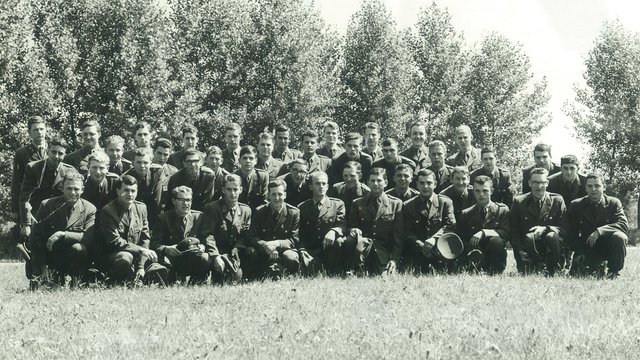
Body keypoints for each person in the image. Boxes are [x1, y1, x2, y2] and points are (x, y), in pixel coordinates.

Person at [29, 172, 96, 286]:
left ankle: (76, 281)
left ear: (82, 189)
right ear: (62, 188)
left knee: (79, 248)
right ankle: (51, 275)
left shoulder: (89, 208)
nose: (72, 193)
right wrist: (42, 265)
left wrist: (62, 234)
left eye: (76, 189)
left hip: (74, 258)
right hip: (51, 256)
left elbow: (88, 237)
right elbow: (36, 238)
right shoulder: (47, 205)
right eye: (69, 188)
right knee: (42, 287)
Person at [99, 175, 165, 284]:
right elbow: (114, 241)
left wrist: (141, 266)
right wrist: (141, 250)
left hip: (136, 256)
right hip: (111, 256)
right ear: (118, 191)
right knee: (126, 257)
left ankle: (138, 276)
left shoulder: (141, 208)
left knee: (158, 262)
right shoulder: (108, 211)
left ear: (137, 192)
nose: (130, 194)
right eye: (126, 190)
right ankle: (112, 281)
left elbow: (145, 238)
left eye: (133, 191)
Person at [564, 174, 628, 278]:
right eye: (590, 186)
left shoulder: (613, 203)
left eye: (597, 186)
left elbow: (623, 224)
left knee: (620, 237)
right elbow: (571, 233)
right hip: (586, 246)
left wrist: (599, 231)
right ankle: (594, 264)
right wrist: (577, 254)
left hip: (607, 247)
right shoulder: (576, 205)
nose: (593, 189)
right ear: (585, 188)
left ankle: (614, 272)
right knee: (581, 274)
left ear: (604, 187)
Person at [510, 168, 566, 275]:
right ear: (529, 183)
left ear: (547, 183)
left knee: (551, 236)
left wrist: (546, 229)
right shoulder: (519, 202)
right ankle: (533, 266)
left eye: (542, 182)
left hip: (552, 251)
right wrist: (519, 250)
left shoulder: (557, 200)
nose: (539, 186)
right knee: (529, 237)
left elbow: (565, 228)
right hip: (528, 250)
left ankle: (553, 270)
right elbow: (514, 231)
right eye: (535, 182)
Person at [151, 186, 213, 284]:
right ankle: (172, 280)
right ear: (173, 201)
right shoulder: (163, 219)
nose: (186, 203)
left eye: (188, 200)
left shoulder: (199, 217)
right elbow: (154, 244)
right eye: (181, 200)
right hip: (173, 259)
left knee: (206, 258)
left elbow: (207, 238)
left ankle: (196, 282)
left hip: (193, 258)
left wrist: (202, 247)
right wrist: (166, 248)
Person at [348, 168, 404, 275]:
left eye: (379, 180)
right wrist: (353, 230)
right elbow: (351, 226)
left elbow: (398, 236)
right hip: (363, 250)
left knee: (386, 276)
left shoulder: (395, 204)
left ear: (386, 183)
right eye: (372, 181)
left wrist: (394, 259)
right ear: (367, 183)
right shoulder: (357, 203)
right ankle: (353, 266)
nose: (375, 184)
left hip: (384, 252)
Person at [19, 137, 77, 240]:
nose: (56, 156)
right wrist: (26, 224)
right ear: (47, 151)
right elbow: (25, 197)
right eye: (53, 152)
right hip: (36, 215)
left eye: (60, 153)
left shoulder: (69, 170)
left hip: (60, 217)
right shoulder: (33, 168)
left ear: (65, 155)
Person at [403, 169, 456, 273]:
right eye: (422, 183)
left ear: (435, 184)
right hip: (417, 251)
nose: (425, 186)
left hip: (440, 248)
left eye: (429, 183)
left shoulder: (445, 202)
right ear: (417, 185)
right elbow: (407, 231)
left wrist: (434, 239)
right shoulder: (408, 205)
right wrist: (421, 246)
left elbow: (450, 226)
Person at [245, 179, 301, 278]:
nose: (277, 198)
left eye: (280, 194)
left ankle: (289, 276)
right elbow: (251, 237)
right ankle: (255, 276)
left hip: (284, 250)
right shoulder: (260, 212)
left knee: (290, 257)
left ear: (285, 195)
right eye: (273, 194)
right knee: (250, 252)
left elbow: (294, 240)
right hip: (264, 250)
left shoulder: (293, 213)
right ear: (268, 195)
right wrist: (266, 246)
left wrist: (276, 244)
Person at [456, 175, 510, 275]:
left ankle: (496, 272)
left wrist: (484, 232)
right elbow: (461, 239)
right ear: (473, 192)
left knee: (497, 241)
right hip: (474, 256)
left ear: (492, 191)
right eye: (477, 191)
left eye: (485, 191)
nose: (481, 195)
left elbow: (506, 233)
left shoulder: (502, 210)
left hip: (494, 256)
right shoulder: (466, 214)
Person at [203, 174, 251, 284]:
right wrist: (215, 256)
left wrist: (238, 247)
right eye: (229, 189)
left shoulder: (246, 210)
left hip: (235, 253)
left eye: (235, 189)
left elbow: (245, 235)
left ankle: (247, 276)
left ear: (241, 190)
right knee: (217, 274)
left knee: (236, 276)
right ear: (223, 190)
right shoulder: (212, 208)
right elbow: (208, 235)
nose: (233, 193)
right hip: (218, 251)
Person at [297, 172, 347, 275]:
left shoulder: (337, 204)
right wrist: (301, 249)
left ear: (328, 186)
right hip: (311, 248)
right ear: (311, 186)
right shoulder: (302, 207)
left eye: (324, 184)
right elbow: (299, 232)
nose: (321, 186)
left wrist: (333, 231)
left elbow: (342, 224)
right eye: (317, 183)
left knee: (339, 241)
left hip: (329, 248)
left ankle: (335, 272)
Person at [11, 116, 48, 222]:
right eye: (35, 129)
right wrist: (15, 209)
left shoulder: (55, 150)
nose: (39, 132)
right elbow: (16, 182)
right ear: (29, 132)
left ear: (46, 130)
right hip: (30, 203)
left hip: (51, 201)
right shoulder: (22, 153)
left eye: (42, 129)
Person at [123, 149, 166, 227]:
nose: (142, 166)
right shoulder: (126, 177)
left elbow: (156, 201)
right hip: (132, 215)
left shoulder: (157, 172)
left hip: (152, 213)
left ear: (151, 163)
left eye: (145, 163)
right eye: (139, 162)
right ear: (132, 163)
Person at [234, 145, 269, 210]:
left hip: (258, 215)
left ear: (256, 161)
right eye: (245, 158)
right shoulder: (234, 177)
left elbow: (265, 201)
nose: (248, 161)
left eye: (251, 158)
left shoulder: (262, 176)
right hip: (239, 214)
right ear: (239, 160)